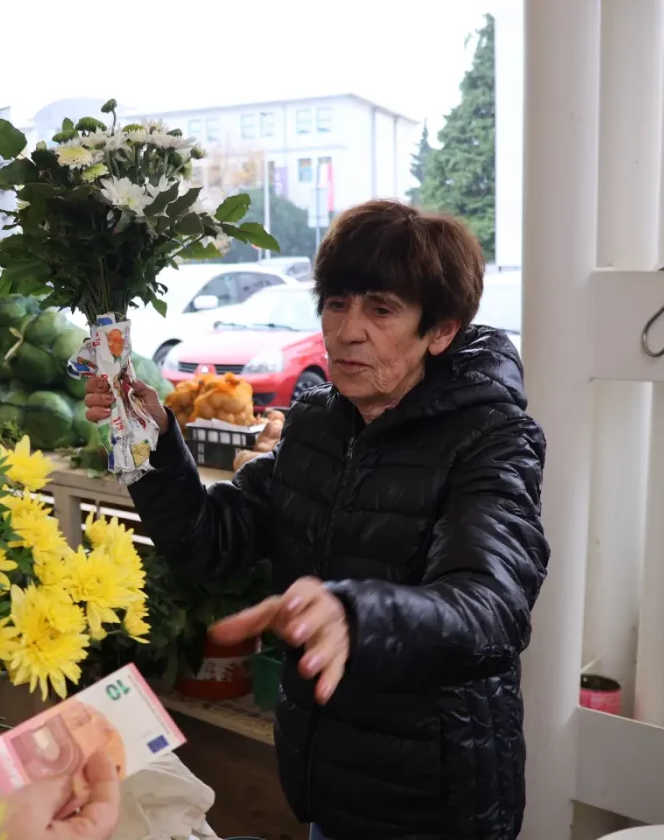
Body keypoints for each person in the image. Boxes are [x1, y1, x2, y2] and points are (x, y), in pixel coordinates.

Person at [85, 199, 549, 839]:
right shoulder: (315, 424)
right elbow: (209, 542)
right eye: (336, 303)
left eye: (381, 309)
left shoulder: (492, 438)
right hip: (324, 780)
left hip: (432, 799)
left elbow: (490, 605)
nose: (348, 330)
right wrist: (149, 441)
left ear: (440, 330)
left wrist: (355, 613)